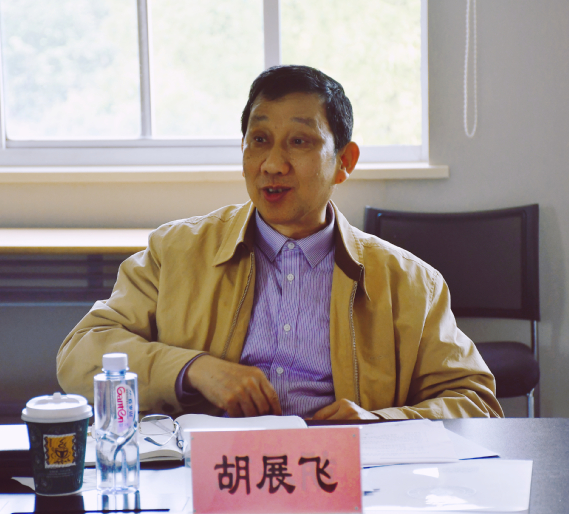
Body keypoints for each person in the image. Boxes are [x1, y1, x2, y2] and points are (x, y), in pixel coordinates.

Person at [57, 65, 503, 420]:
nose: (272, 163)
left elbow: (474, 401)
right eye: (259, 140)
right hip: (210, 472)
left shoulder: (409, 282)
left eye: (299, 142)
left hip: (341, 475)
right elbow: (80, 355)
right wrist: (193, 369)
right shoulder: (175, 251)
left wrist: (381, 423)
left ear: (344, 162)